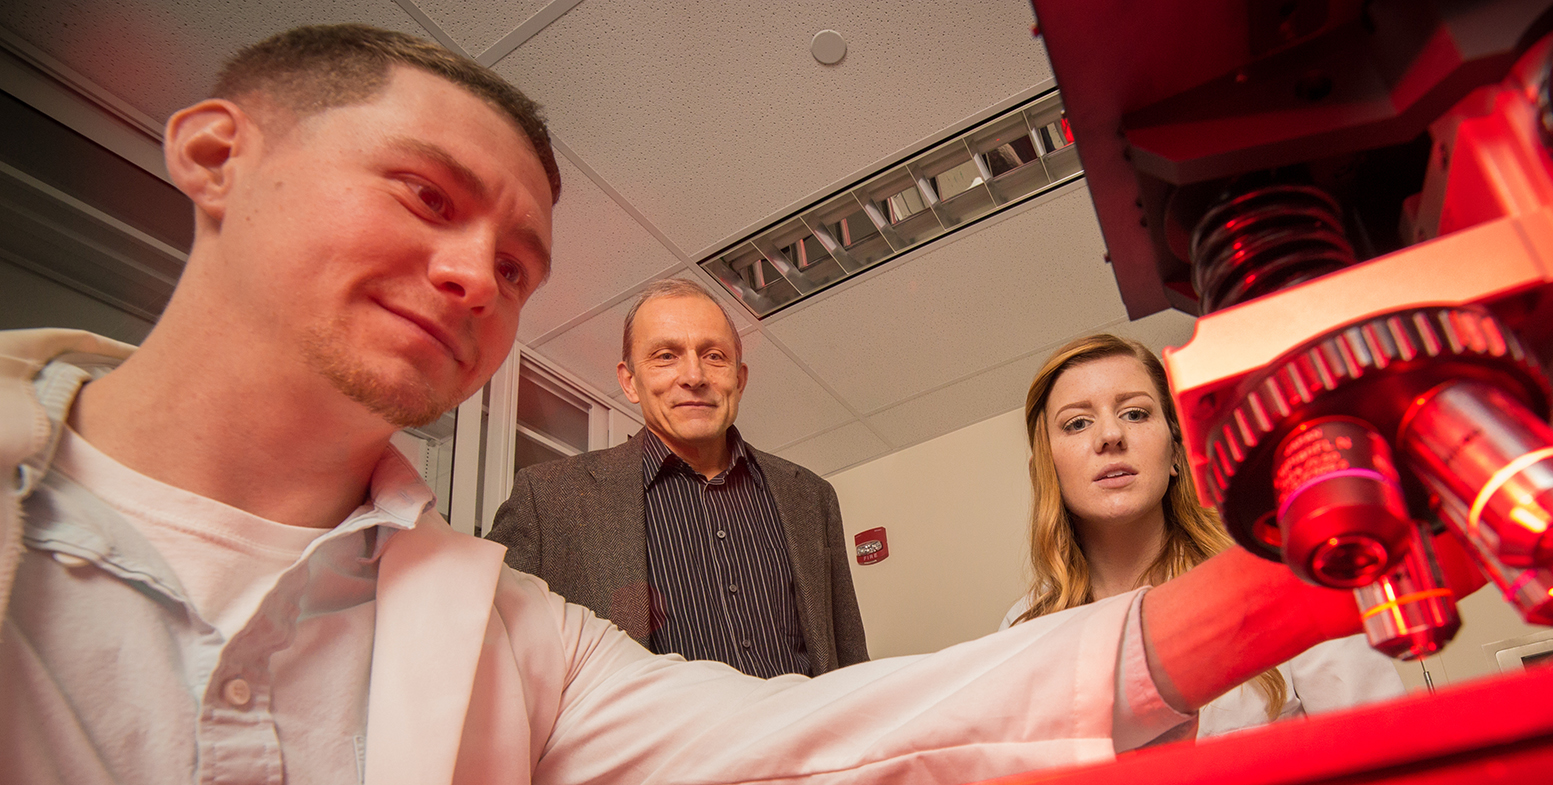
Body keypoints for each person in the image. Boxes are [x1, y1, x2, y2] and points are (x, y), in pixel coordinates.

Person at [0, 23, 1469, 785]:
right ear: (210, 152)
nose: (473, 277)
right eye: (424, 196)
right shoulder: (546, 536)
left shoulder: (502, 632)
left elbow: (844, 722)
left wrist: (1342, 552)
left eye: (518, 263)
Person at [1003, 334, 1407, 737]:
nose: (1111, 435)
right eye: (1077, 423)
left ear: (1176, 452)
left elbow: (1383, 743)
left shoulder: (1285, 576)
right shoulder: (1022, 633)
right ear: (1048, 470)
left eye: (1135, 414)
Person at [486, 278, 868, 678]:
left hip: (810, 735)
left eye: (714, 356)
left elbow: (850, 657)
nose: (694, 376)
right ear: (630, 382)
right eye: (666, 356)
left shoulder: (809, 496)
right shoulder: (549, 499)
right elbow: (493, 661)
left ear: (739, 379)